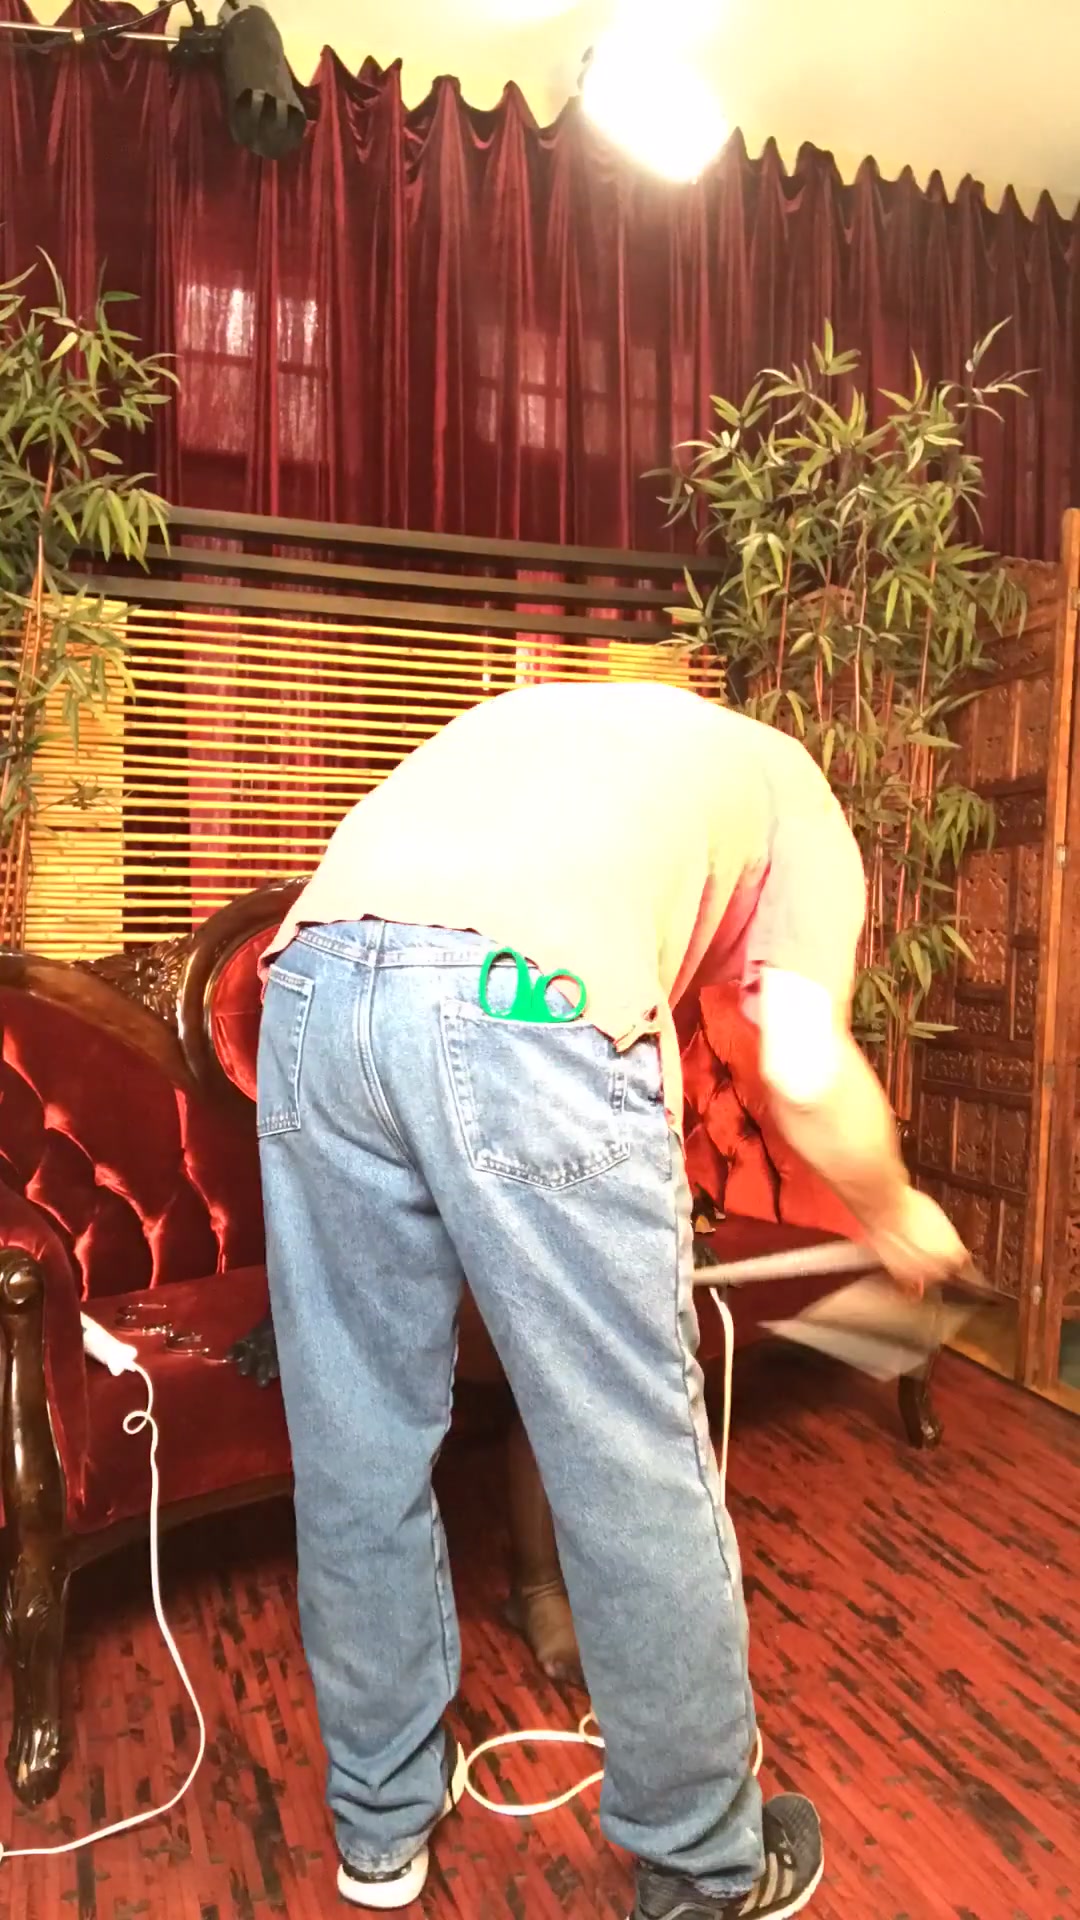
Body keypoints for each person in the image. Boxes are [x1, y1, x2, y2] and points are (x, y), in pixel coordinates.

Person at [256, 679, 967, 1919]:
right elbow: (801, 1064)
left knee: (355, 1442)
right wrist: (896, 1207)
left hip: (312, 989)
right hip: (521, 996)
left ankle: (378, 1831)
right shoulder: (799, 798)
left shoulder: (570, 729)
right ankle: (702, 1867)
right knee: (630, 1455)